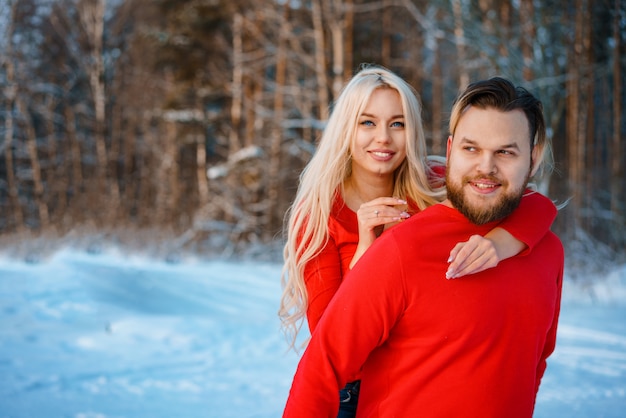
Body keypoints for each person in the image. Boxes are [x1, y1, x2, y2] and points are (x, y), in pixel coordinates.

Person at [278, 66, 557, 417]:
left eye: (397, 124)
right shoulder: (319, 215)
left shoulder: (433, 181)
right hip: (351, 391)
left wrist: (500, 244)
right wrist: (368, 247)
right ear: (345, 128)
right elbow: (330, 333)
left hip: (413, 375)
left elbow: (537, 206)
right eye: (367, 123)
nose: (383, 138)